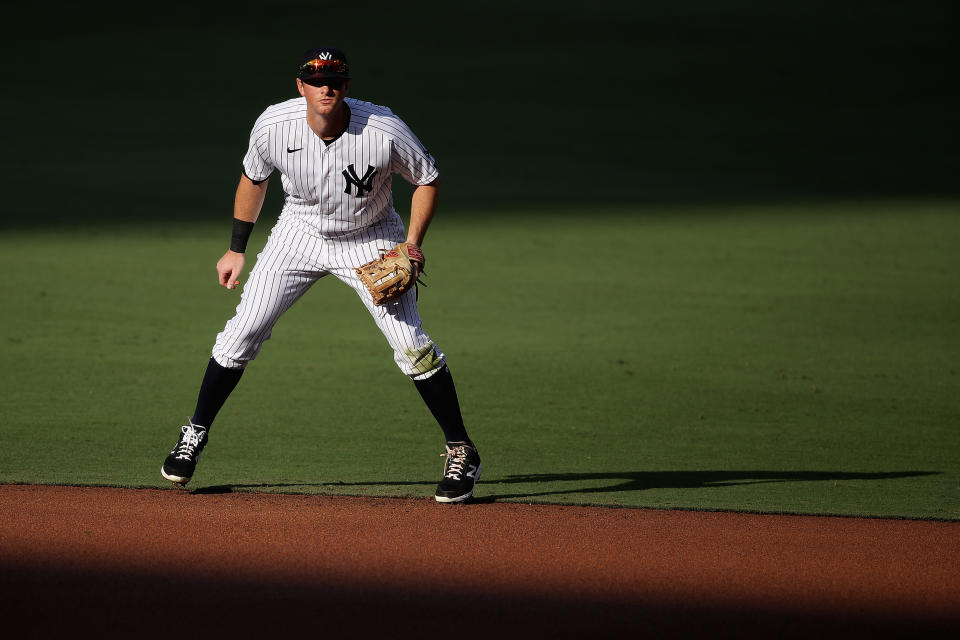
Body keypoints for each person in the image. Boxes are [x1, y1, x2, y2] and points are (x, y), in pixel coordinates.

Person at [160, 46, 480, 503]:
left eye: (334, 80)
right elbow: (254, 179)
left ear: (347, 87)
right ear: (301, 87)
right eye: (315, 80)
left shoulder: (384, 129)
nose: (325, 87)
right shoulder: (274, 124)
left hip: (371, 238)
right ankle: (194, 434)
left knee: (413, 347)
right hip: (299, 234)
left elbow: (427, 178)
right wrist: (236, 249)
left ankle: (461, 450)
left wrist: (411, 244)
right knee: (240, 334)